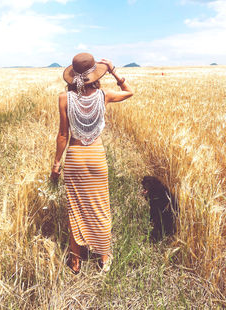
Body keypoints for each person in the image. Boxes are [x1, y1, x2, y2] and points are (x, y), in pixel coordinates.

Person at [50, 52, 133, 274]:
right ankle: (104, 256)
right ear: (95, 74)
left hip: (75, 158)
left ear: (73, 75)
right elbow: (130, 92)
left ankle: (75, 261)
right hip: (96, 158)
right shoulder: (104, 95)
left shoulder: (63, 98)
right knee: (100, 207)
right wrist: (114, 70)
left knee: (75, 210)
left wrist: (56, 164)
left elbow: (62, 135)